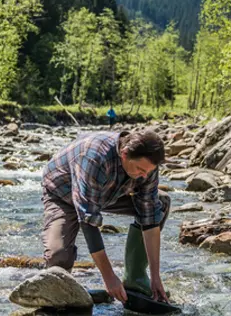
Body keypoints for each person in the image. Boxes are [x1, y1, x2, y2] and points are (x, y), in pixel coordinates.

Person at [41, 128, 170, 304]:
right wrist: (109, 277)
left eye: (148, 171)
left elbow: (150, 218)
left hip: (107, 192)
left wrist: (156, 277)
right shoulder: (95, 158)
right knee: (59, 257)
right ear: (124, 154)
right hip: (63, 193)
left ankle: (136, 277)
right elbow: (88, 221)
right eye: (140, 169)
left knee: (160, 203)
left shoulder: (145, 166)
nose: (145, 176)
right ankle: (61, 295)